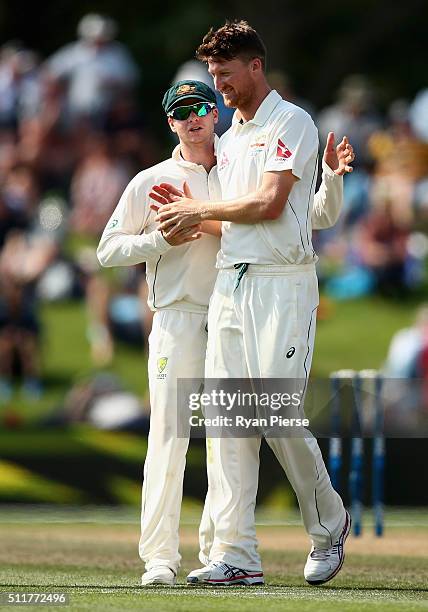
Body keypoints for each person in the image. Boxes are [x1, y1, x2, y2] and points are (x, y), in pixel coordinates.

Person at [98, 77, 354, 586]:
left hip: (234, 308)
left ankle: (225, 551)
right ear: (169, 123)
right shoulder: (151, 179)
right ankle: (160, 559)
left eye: (200, 108)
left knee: (228, 436)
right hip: (177, 318)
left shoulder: (237, 162)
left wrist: (328, 177)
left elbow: (301, 217)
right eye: (180, 112)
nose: (193, 118)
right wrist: (158, 239)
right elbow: (107, 250)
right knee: (169, 439)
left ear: (214, 113)